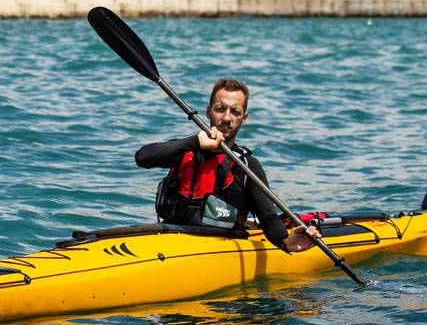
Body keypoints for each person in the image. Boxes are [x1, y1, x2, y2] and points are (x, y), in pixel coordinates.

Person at [134, 76, 322, 254]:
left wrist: (286, 242)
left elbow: (268, 218)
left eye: (235, 112)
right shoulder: (185, 149)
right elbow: (142, 158)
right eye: (220, 109)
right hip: (171, 237)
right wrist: (195, 142)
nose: (226, 118)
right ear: (208, 111)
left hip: (218, 246)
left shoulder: (247, 166)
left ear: (244, 118)